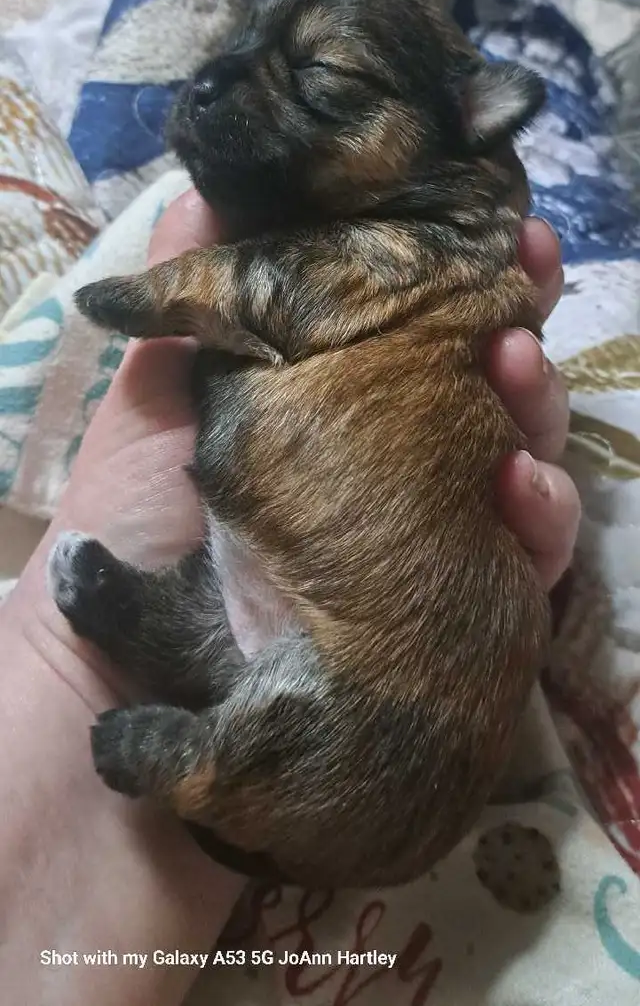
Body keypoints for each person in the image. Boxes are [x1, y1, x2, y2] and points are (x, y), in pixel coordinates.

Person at [0, 190, 580, 1004]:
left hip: (335, 710)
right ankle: (151, 665)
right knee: (237, 638)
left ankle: (208, 755)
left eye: (327, 84)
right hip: (262, 604)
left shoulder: (433, 237)